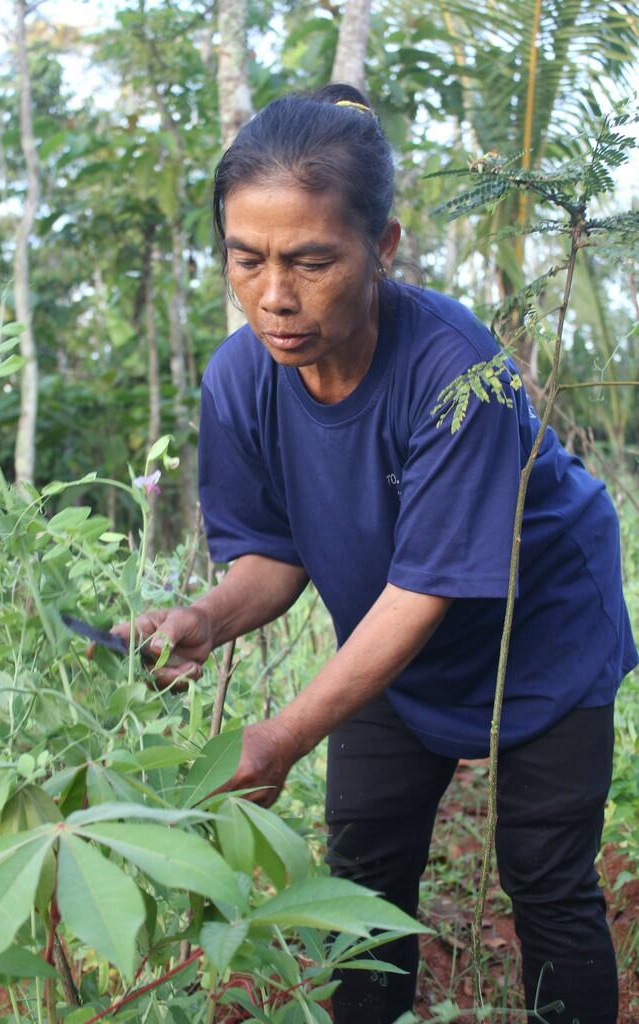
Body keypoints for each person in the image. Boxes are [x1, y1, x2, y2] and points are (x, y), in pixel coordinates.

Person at [113, 84, 638, 1024]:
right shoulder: (241, 378)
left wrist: (279, 736)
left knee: (545, 880)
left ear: (382, 248)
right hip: (389, 659)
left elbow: (424, 587)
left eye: (312, 261)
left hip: (539, 635)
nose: (274, 296)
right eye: (247, 259)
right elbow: (273, 556)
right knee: (363, 878)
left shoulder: (453, 370)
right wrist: (202, 619)